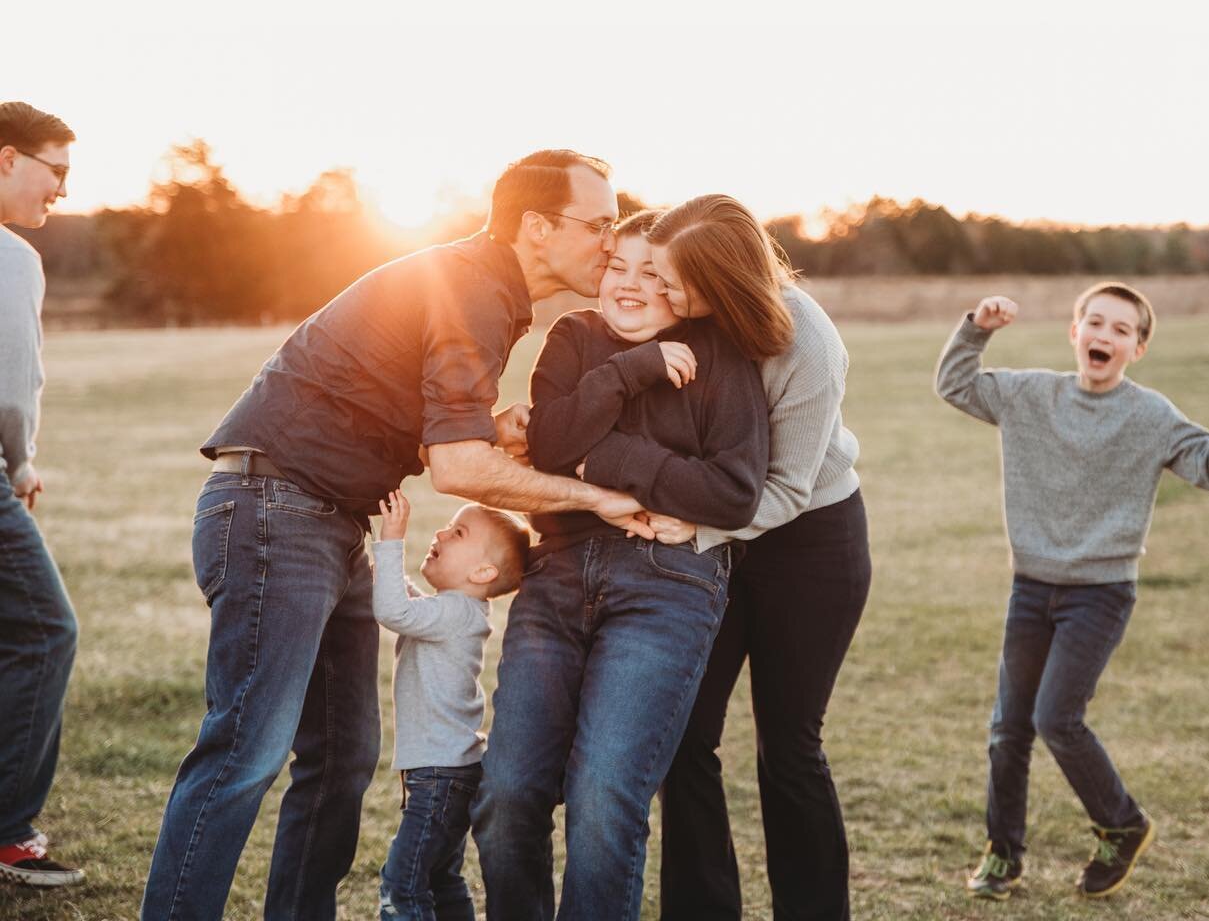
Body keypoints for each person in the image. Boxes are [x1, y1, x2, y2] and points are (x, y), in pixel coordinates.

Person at [142, 149, 650, 921]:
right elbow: (454, 467)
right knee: (245, 749)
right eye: (600, 225)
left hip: (331, 519)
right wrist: (593, 497)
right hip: (275, 508)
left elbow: (411, 420)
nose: (612, 243)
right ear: (538, 227)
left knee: (344, 757)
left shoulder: (489, 292)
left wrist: (493, 430)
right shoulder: (472, 289)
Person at [472, 210, 771, 921]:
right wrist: (631, 371)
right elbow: (547, 445)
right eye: (618, 266)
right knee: (508, 793)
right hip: (558, 575)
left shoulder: (720, 356)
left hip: (668, 588)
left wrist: (600, 459)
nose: (630, 284)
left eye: (652, 273)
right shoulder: (572, 339)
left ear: (682, 287)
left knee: (606, 796)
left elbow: (733, 492)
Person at [934, 283, 1209, 900]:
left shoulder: (1151, 415)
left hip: (1101, 592)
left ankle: (1123, 824)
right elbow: (955, 384)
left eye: (1120, 331)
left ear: (1136, 349)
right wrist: (977, 326)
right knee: (1008, 728)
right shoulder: (1032, 395)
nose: (1104, 337)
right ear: (1074, 332)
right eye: (1095, 324)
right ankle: (1003, 854)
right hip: (1031, 586)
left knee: (1056, 717)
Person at [651, 195, 870, 921]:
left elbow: (786, 488)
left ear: (725, 279)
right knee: (682, 738)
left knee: (789, 746)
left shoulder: (807, 340)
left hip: (809, 540)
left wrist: (692, 530)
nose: (666, 294)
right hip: (719, 536)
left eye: (677, 281)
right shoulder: (684, 322)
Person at [371, 489, 527, 921]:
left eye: (458, 532)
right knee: (441, 879)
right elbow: (409, 603)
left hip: (439, 777)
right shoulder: (457, 611)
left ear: (482, 571)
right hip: (447, 773)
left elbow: (393, 611)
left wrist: (390, 540)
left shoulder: (455, 614)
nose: (441, 532)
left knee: (401, 886)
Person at [0, 101, 85, 888]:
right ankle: (9, 831)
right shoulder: (13, 257)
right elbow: (12, 386)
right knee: (46, 632)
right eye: (55, 171)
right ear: (6, 160)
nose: (61, 190)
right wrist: (21, 464)